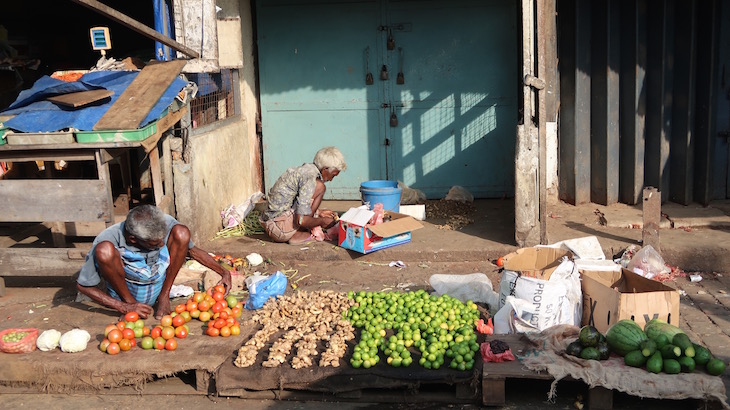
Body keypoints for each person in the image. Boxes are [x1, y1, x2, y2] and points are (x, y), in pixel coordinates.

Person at [76, 205, 231, 319]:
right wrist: (124, 306)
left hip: (157, 285)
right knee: (105, 251)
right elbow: (83, 285)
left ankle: (163, 297)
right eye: (154, 244)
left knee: (182, 232)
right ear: (133, 239)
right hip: (126, 291)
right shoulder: (108, 238)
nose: (162, 246)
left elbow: (192, 250)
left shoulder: (164, 223)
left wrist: (224, 272)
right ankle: (131, 303)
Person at [261, 146, 346, 244]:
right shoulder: (310, 178)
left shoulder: (305, 169)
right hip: (279, 229)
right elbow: (301, 220)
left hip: (269, 223)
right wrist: (322, 221)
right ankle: (299, 234)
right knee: (320, 187)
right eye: (333, 175)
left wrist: (318, 213)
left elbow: (297, 202)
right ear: (325, 169)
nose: (331, 179)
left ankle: (298, 230)